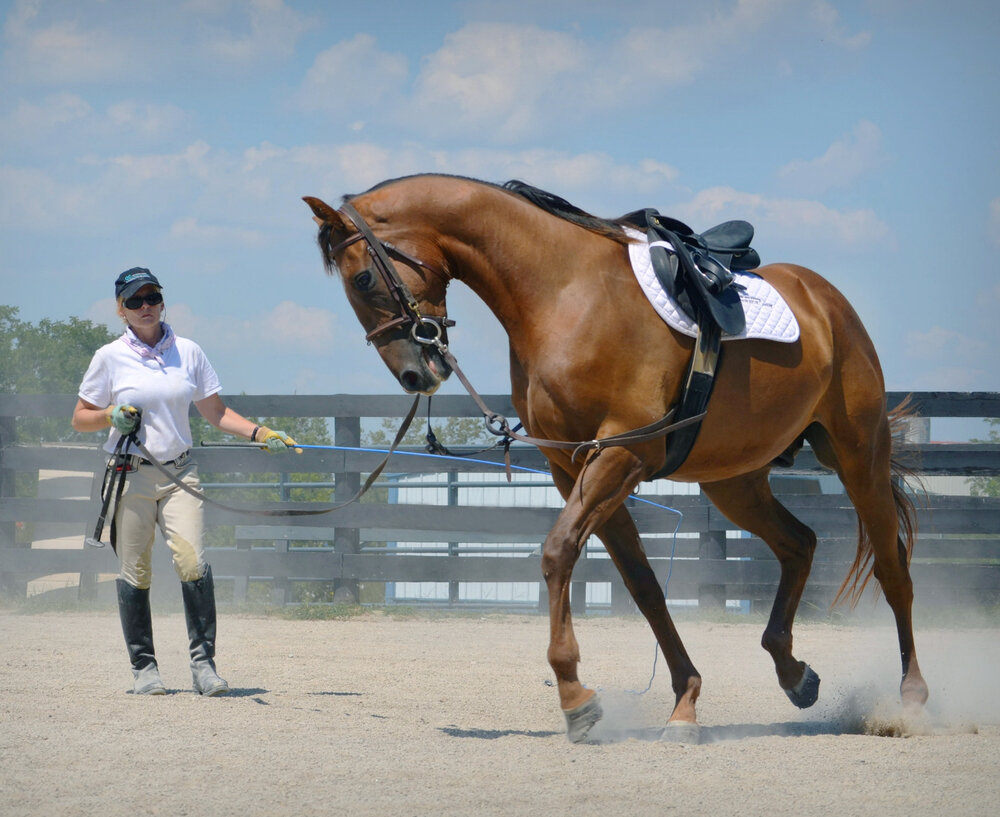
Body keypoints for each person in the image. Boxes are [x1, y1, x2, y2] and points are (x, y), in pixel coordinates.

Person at [72, 267, 297, 696]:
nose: (145, 307)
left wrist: (261, 434)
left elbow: (217, 413)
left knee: (193, 563)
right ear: (120, 309)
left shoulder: (189, 352)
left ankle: (203, 665)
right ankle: (145, 669)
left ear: (162, 301)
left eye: (152, 297)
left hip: (179, 473)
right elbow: (80, 417)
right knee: (135, 571)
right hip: (130, 474)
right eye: (135, 301)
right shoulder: (109, 357)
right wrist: (108, 416)